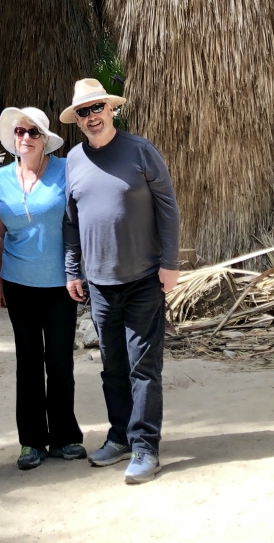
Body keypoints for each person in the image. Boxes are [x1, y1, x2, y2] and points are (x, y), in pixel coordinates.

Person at [62, 78, 180, 486]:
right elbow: (71, 221)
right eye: (84, 112)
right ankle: (120, 436)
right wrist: (72, 269)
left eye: (97, 108)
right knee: (112, 366)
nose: (92, 116)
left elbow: (168, 208)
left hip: (145, 276)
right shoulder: (73, 161)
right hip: (98, 283)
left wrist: (170, 263)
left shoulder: (140, 151)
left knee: (143, 367)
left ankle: (146, 447)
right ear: (77, 120)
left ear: (111, 110)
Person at [0, 106, 86, 471]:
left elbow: (82, 217)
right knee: (27, 363)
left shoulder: (65, 170)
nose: (26, 138)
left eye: (33, 132)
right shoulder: (2, 178)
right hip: (18, 284)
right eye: (20, 132)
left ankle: (65, 436)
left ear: (45, 139)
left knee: (60, 362)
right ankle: (31, 441)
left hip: (61, 284)